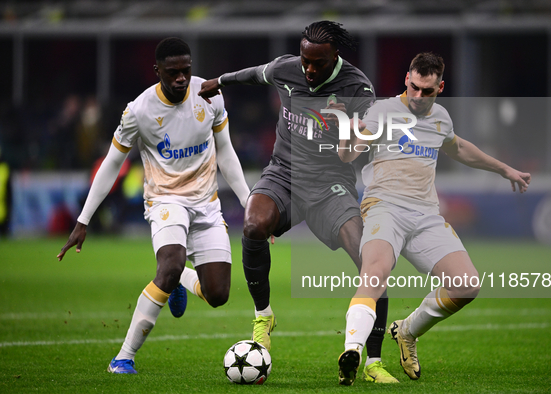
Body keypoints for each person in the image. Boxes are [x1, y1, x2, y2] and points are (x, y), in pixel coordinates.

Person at [198, 21, 397, 384]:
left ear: (334, 56)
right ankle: (263, 317)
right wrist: (220, 81)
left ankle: (373, 361)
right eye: (305, 60)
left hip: (330, 184)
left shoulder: (357, 87)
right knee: (254, 224)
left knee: (373, 262)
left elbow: (370, 135)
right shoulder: (287, 68)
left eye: (317, 63)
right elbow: (254, 74)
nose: (308, 69)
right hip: (284, 174)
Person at [56, 37, 250, 374]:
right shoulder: (139, 111)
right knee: (169, 264)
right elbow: (112, 164)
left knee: (218, 294)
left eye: (185, 71)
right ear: (156, 70)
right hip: (164, 199)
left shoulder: (209, 94)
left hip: (206, 203)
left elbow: (227, 153)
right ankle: (123, 358)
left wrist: (250, 203)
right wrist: (83, 219)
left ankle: (181, 281)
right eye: (172, 72)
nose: (180, 78)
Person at [336, 52, 531, 385]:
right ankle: (352, 350)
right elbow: (347, 154)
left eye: (427, 91)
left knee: (467, 285)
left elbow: (459, 148)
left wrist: (504, 169)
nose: (418, 97)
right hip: (384, 208)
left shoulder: (440, 117)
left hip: (426, 215)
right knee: (374, 274)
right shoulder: (383, 111)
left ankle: (407, 331)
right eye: (414, 88)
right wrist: (346, 132)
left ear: (440, 87)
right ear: (407, 80)